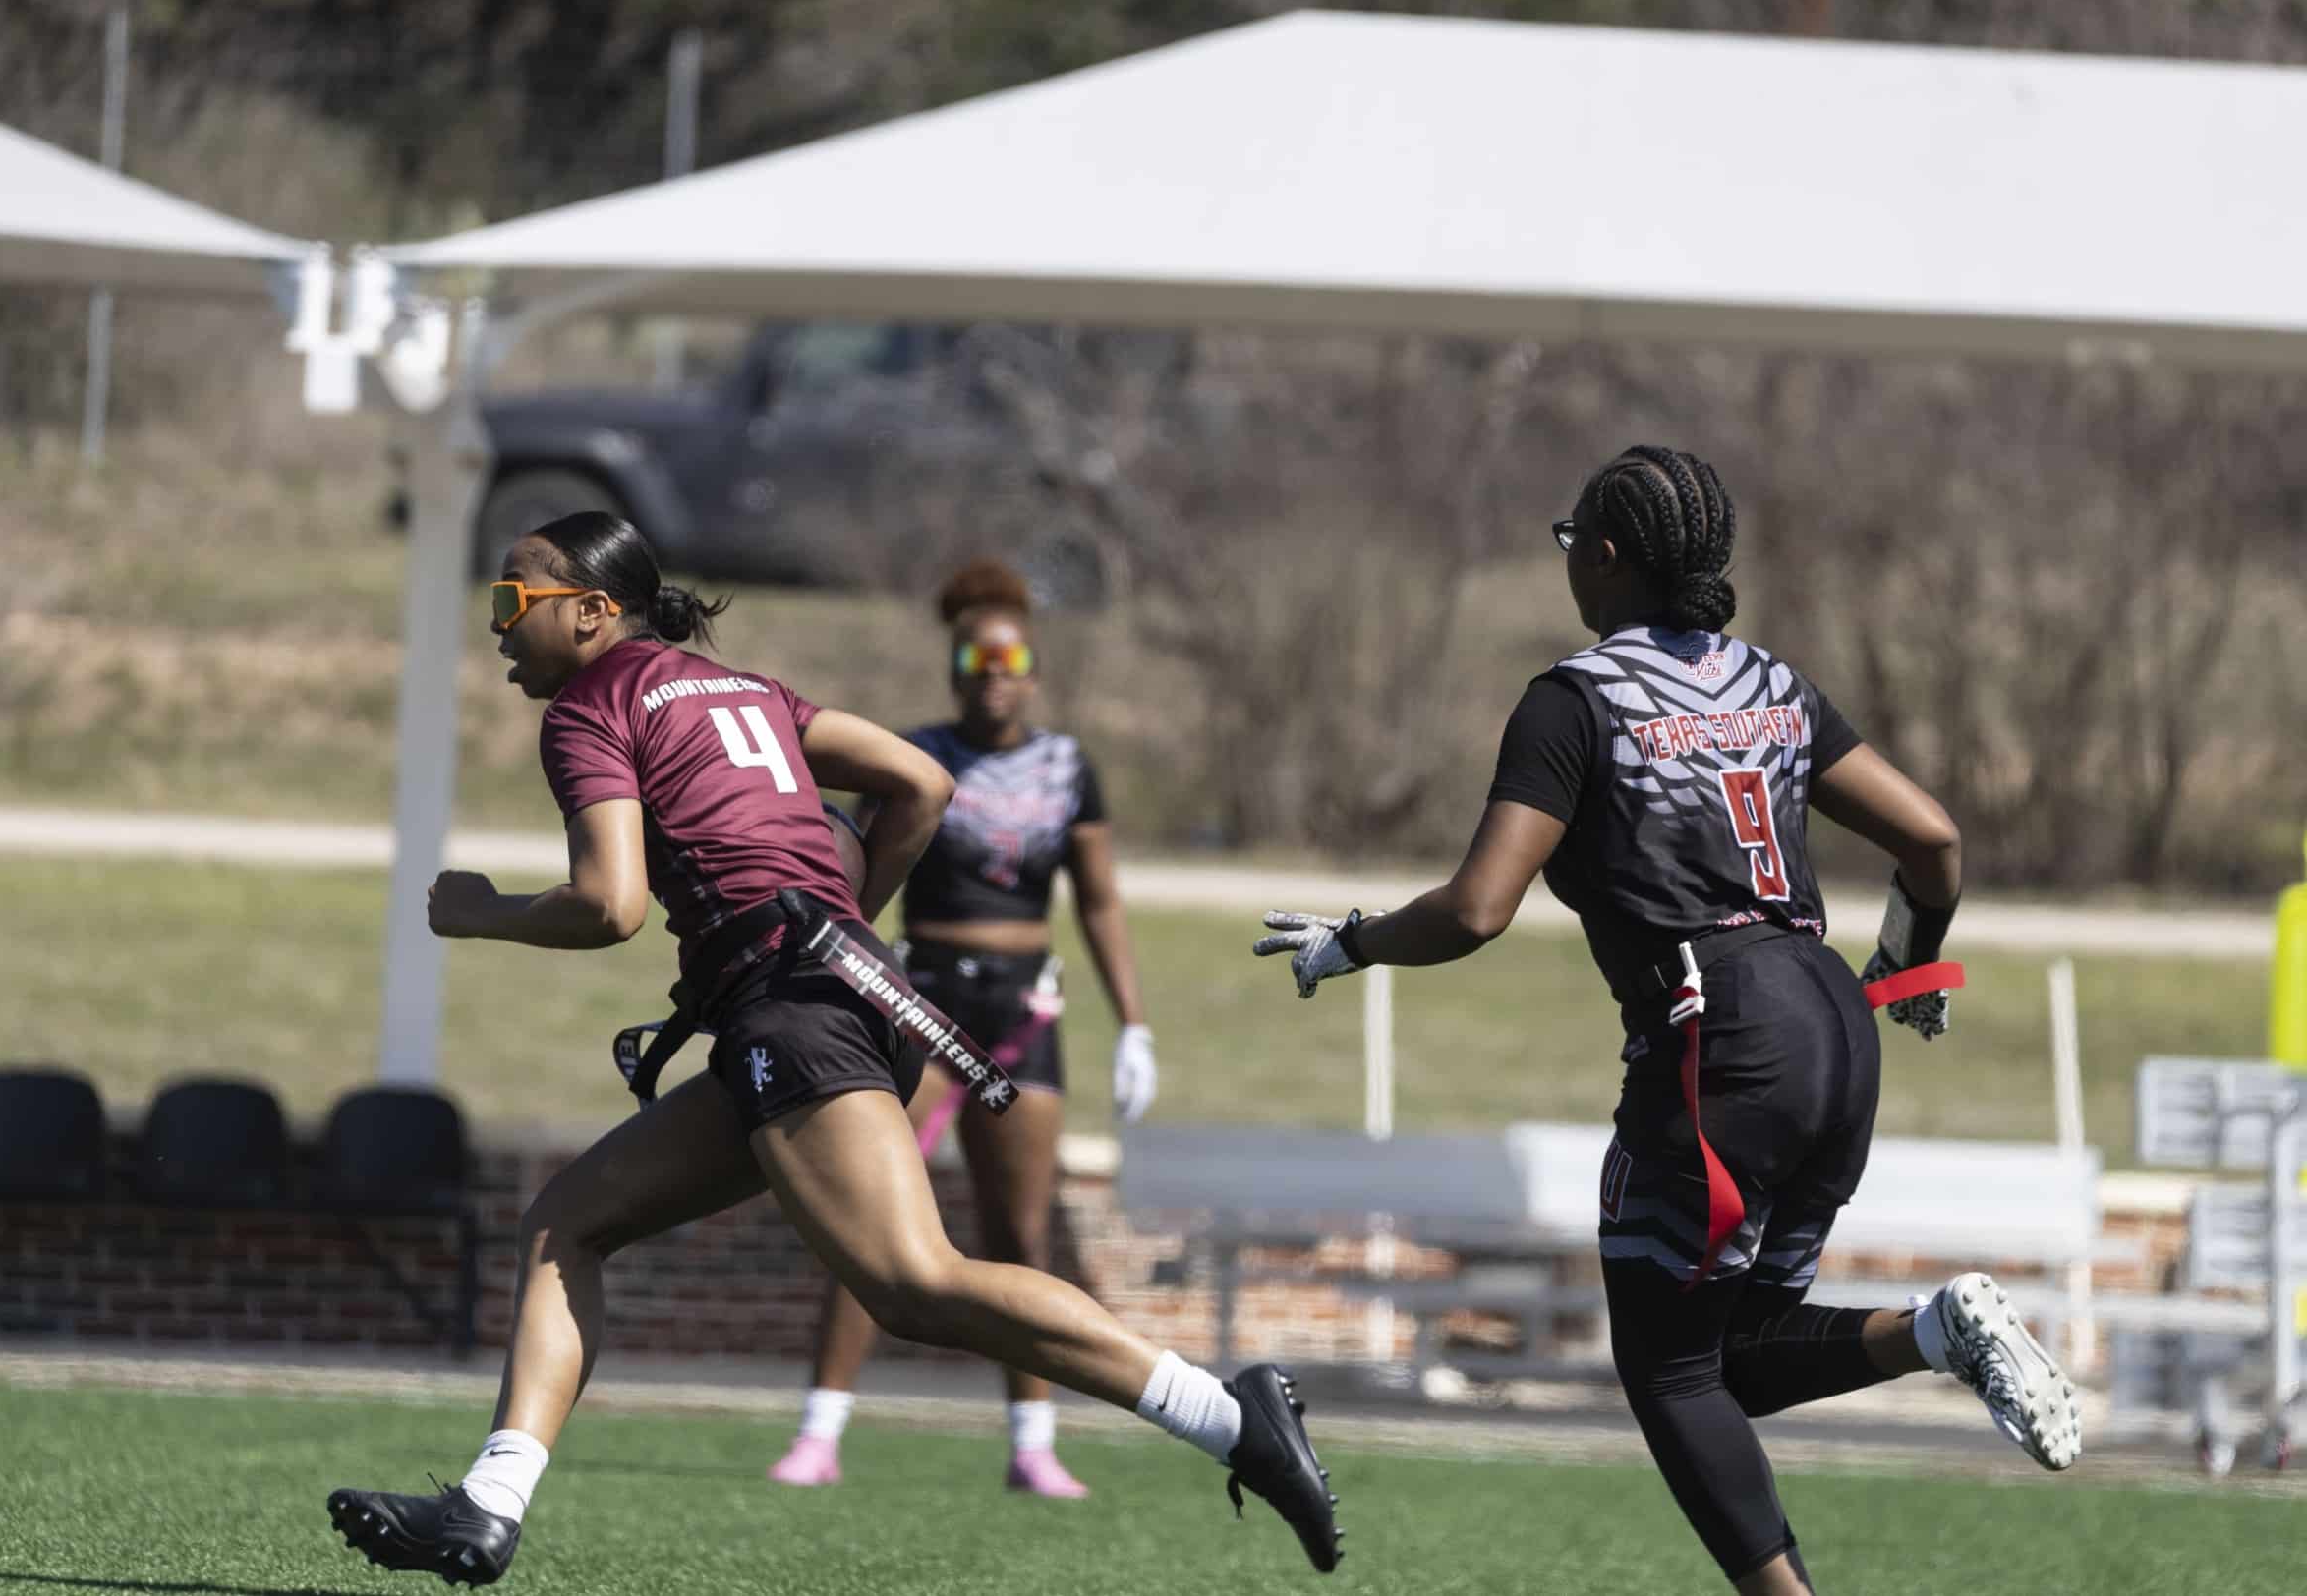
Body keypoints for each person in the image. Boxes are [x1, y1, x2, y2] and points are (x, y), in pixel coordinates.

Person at [327, 513, 1342, 1586]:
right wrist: (844, 921)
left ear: (589, 612)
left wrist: (482, 912)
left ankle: (1232, 1419)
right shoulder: (748, 690)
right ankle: (488, 1506)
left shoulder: (589, 706)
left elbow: (609, 904)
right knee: (564, 1226)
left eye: (510, 600)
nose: (496, 625)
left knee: (916, 1283)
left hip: (795, 1012)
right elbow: (922, 783)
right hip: (831, 997)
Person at [1250, 449, 2077, 1595]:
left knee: (1669, 1373)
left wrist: (1353, 941)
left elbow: (1478, 907)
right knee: (1733, 1357)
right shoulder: (1770, 682)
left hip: (1718, 1036)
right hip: (1835, 1026)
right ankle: (1938, 1331)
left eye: (1569, 543)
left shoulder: (1574, 699)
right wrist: (1908, 961)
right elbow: (1932, 839)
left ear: (1602, 555)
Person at [767, 558, 1159, 1498]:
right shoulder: (914, 756)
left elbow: (1099, 900)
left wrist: (1134, 1023)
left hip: (1023, 1009)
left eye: (1010, 659)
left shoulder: (1067, 766)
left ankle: (1033, 1442)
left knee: (1019, 1227)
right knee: (871, 1219)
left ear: (1034, 668)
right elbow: (851, 876)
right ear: (953, 668)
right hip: (921, 1003)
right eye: (975, 660)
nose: (993, 676)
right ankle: (820, 1431)